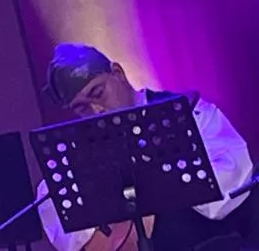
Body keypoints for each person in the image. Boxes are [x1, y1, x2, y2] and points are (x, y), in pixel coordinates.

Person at [38, 44, 256, 251]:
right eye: (82, 108)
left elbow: (233, 182)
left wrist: (157, 181)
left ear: (117, 73)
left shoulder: (189, 113)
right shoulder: (79, 148)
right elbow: (51, 201)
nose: (96, 111)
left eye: (98, 93)